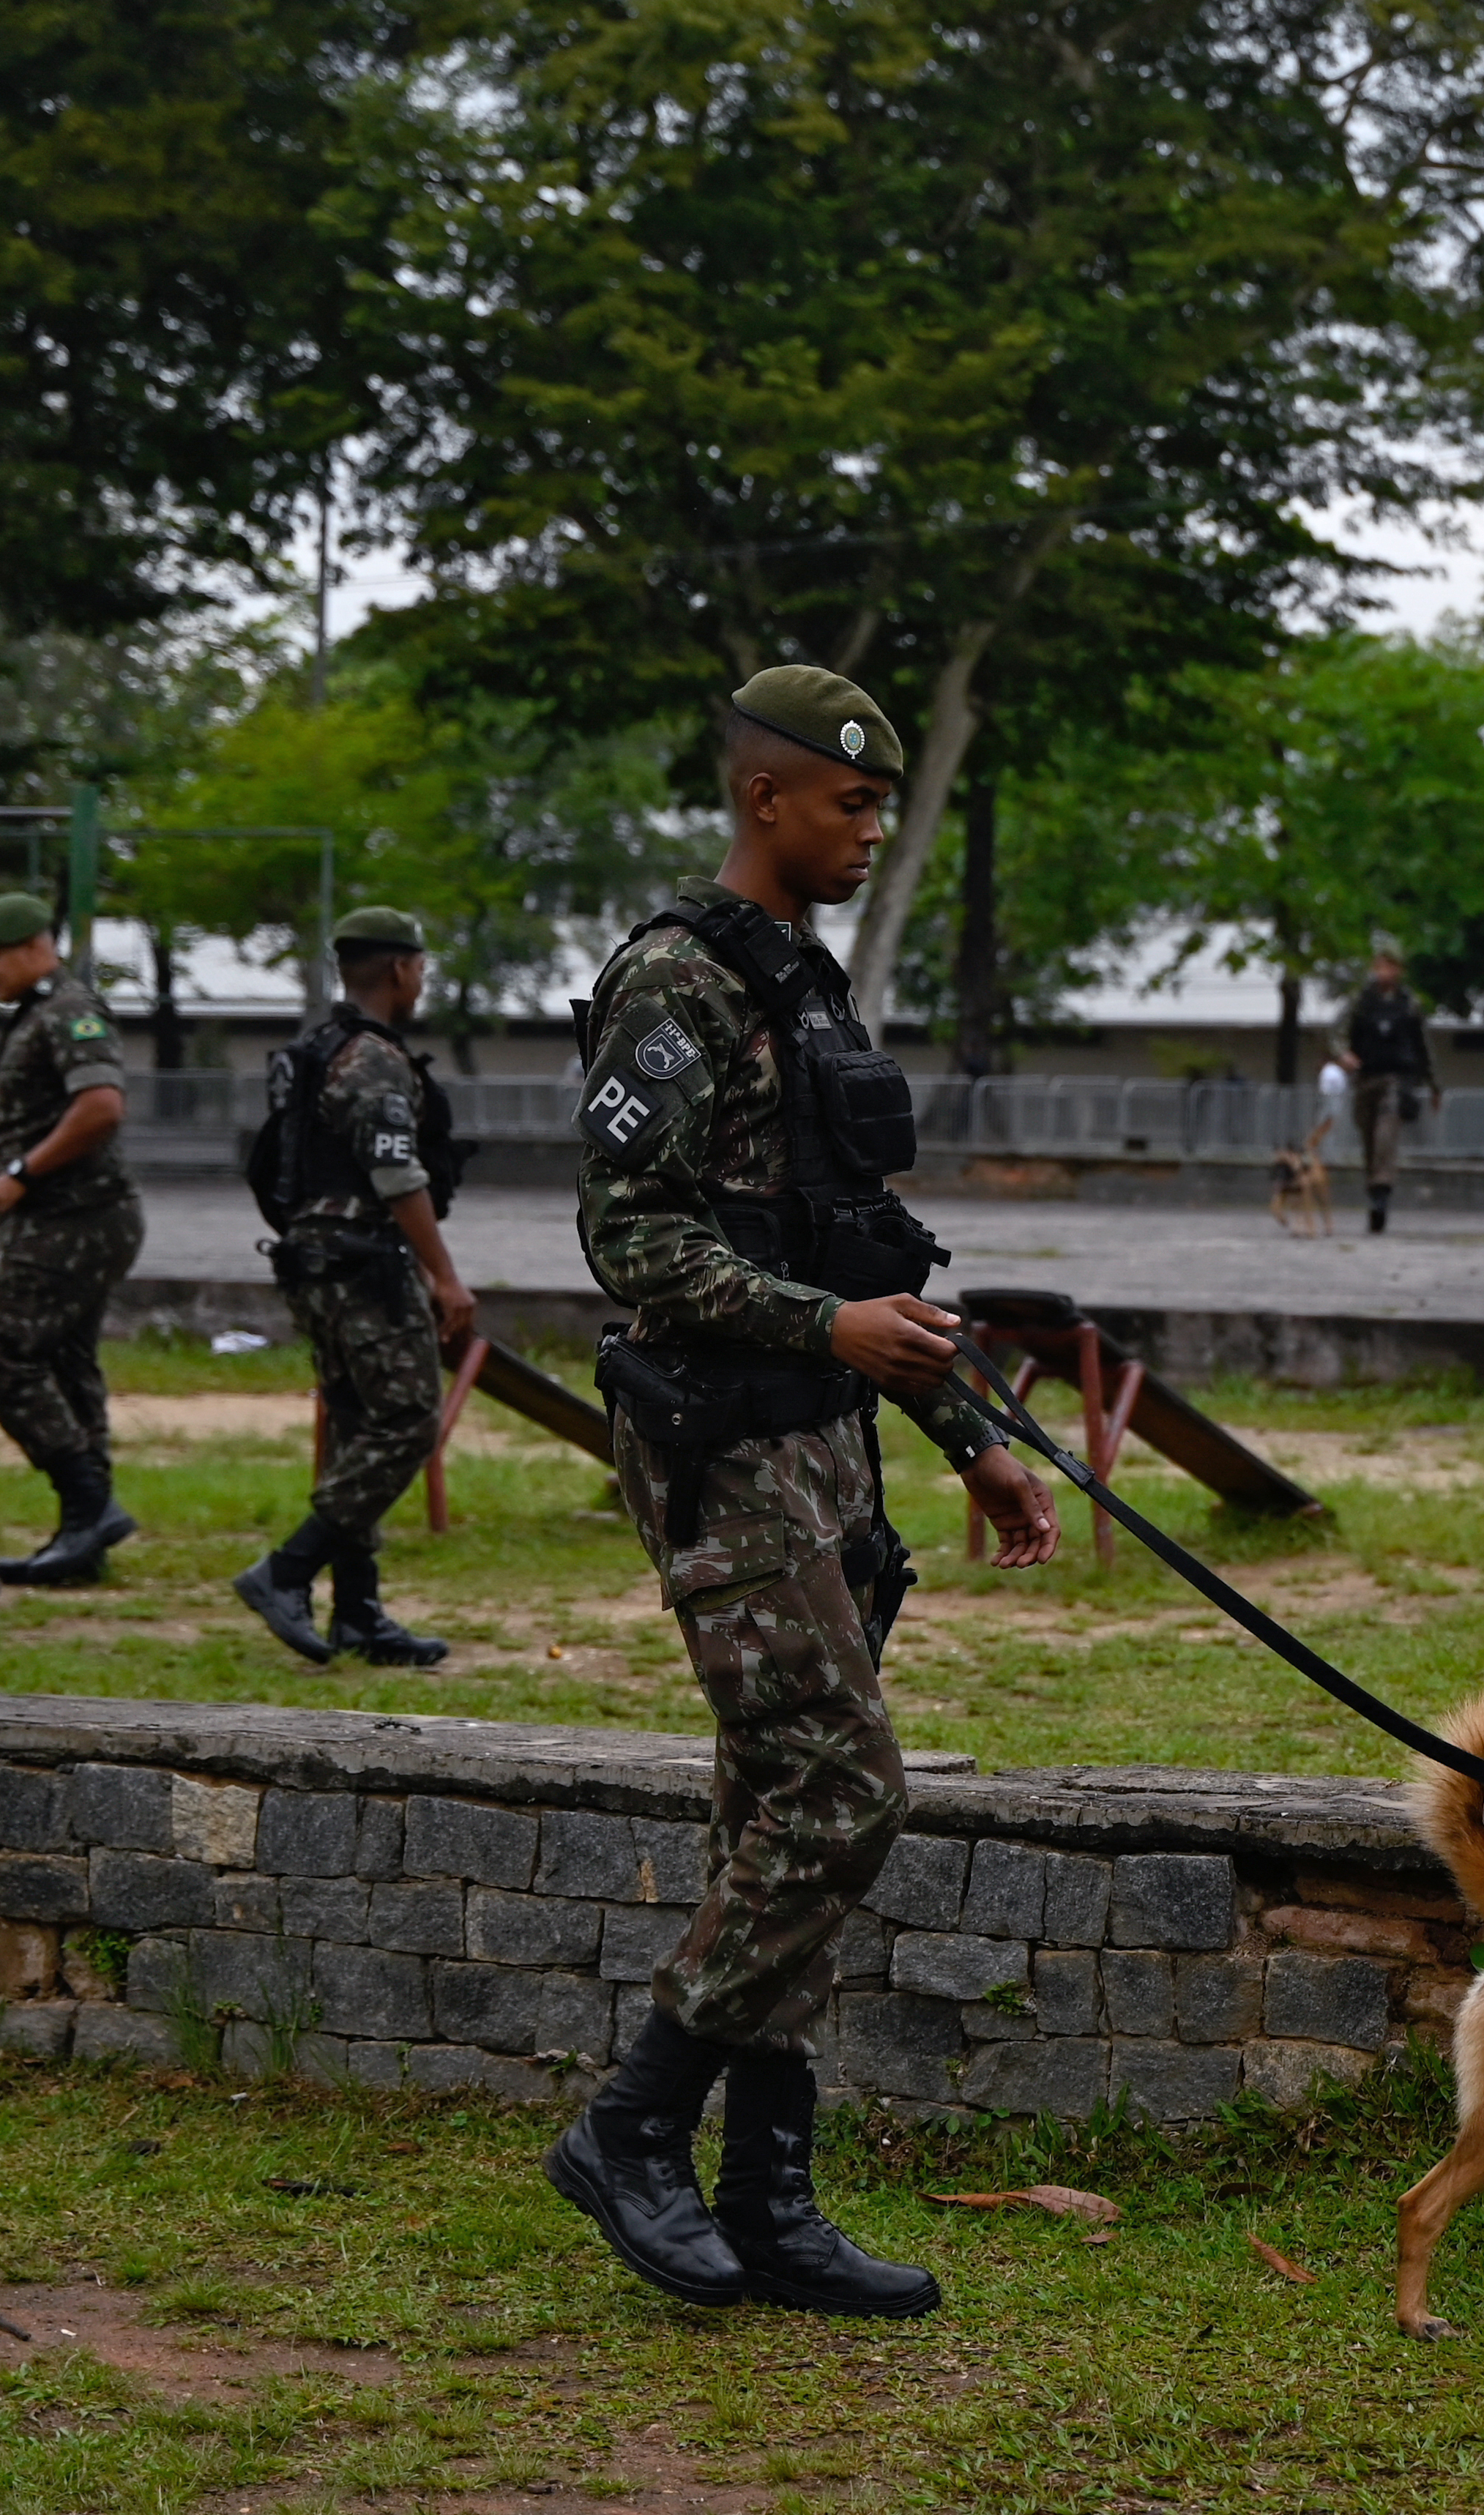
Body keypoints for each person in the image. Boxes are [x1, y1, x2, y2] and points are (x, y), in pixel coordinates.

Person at [553, 662, 1062, 2320]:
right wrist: (822, 1326)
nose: (867, 831)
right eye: (848, 803)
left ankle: (769, 2194)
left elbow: (855, 1256)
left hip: (823, 1446)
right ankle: (632, 2127)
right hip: (718, 1440)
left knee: (772, 1818)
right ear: (764, 797)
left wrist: (971, 1436)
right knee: (842, 1791)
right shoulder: (671, 985)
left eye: (882, 807)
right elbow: (627, 1241)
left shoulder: (805, 990)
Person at [234, 907, 477, 1670]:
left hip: (312, 1258)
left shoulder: (315, 1051)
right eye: (420, 966)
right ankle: (287, 1570)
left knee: (355, 1421)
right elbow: (396, 1171)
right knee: (407, 1419)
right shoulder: (371, 1058)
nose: (421, 979)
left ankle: (359, 1612)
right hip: (363, 1262)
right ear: (401, 969)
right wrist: (444, 1275)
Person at [0, 892, 144, 1586]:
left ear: (37, 947)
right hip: (68, 1213)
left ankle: (91, 1506)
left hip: (76, 1220)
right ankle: (81, 1541)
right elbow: (55, 1117)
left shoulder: (67, 1011)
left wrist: (22, 1175)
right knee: (66, 1365)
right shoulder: (42, 1012)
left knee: (5, 1353)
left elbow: (100, 1108)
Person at [1332, 947, 1436, 1233]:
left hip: (1397, 1080)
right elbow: (1337, 1032)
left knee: (1385, 1136)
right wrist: (1344, 1054)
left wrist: (1434, 1085)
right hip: (1366, 1078)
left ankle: (1382, 1193)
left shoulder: (1410, 1004)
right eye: (1380, 966)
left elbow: (1424, 1046)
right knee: (1369, 1140)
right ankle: (1375, 1191)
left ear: (1399, 970)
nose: (1384, 972)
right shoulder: (1361, 1001)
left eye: (1390, 967)